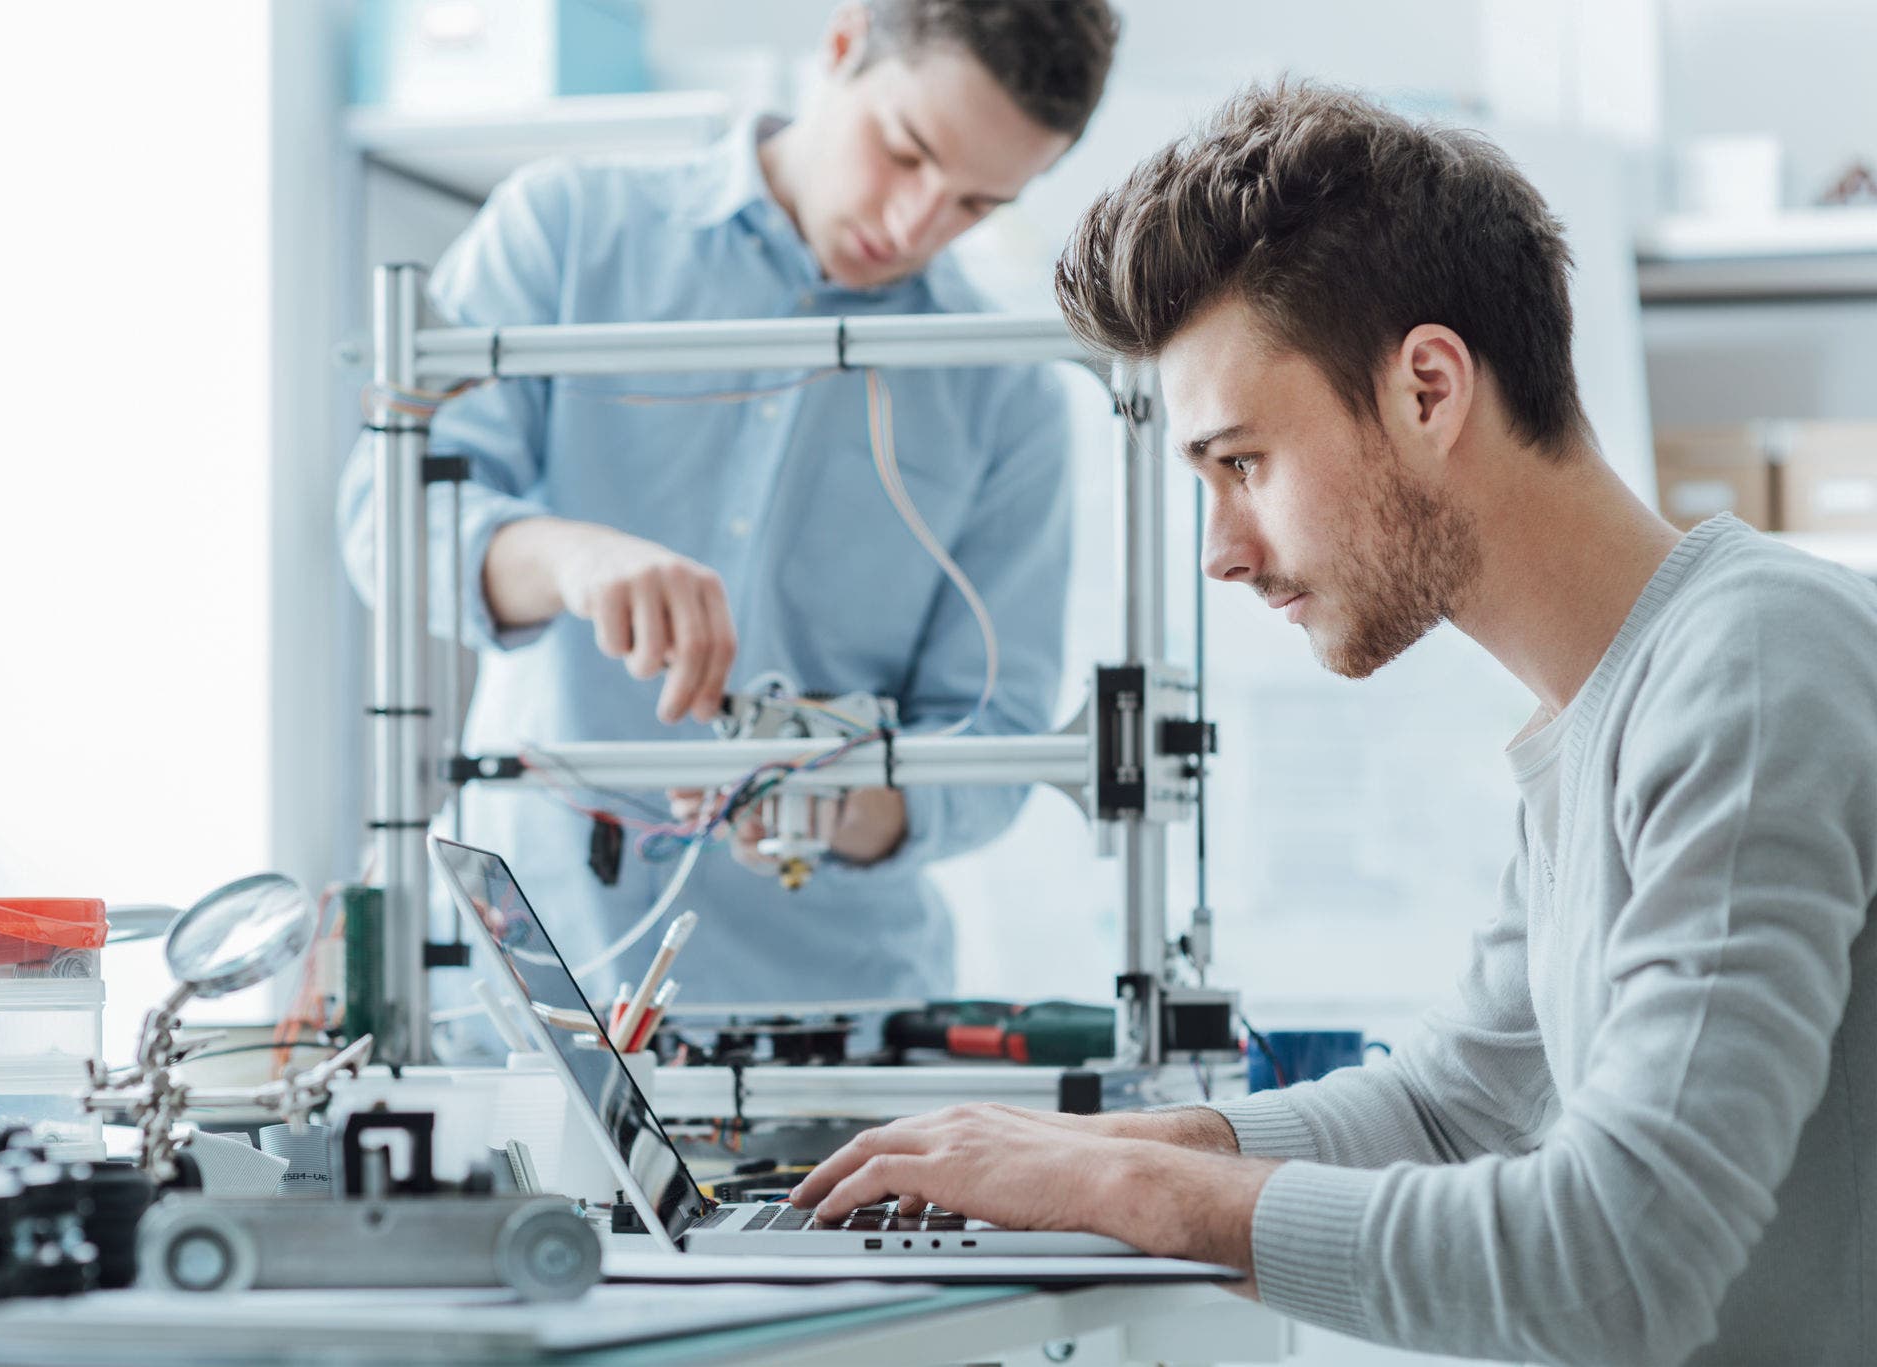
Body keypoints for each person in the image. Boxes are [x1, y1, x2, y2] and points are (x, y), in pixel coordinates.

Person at [792, 81, 1877, 1366]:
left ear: (1426, 388)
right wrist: (1103, 1147)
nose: (1220, 552)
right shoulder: (1601, 704)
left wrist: (1136, 1196)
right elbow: (1454, 1103)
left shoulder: (1751, 662)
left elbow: (1620, 1261)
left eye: (1241, 463)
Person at [337, 2, 1120, 1015]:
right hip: (523, 990)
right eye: (904, 151)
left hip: (828, 1034)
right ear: (839, 46)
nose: (913, 224)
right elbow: (384, 521)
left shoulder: (1004, 388)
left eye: (973, 204)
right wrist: (566, 556)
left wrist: (838, 805)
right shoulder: (566, 231)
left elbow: (995, 737)